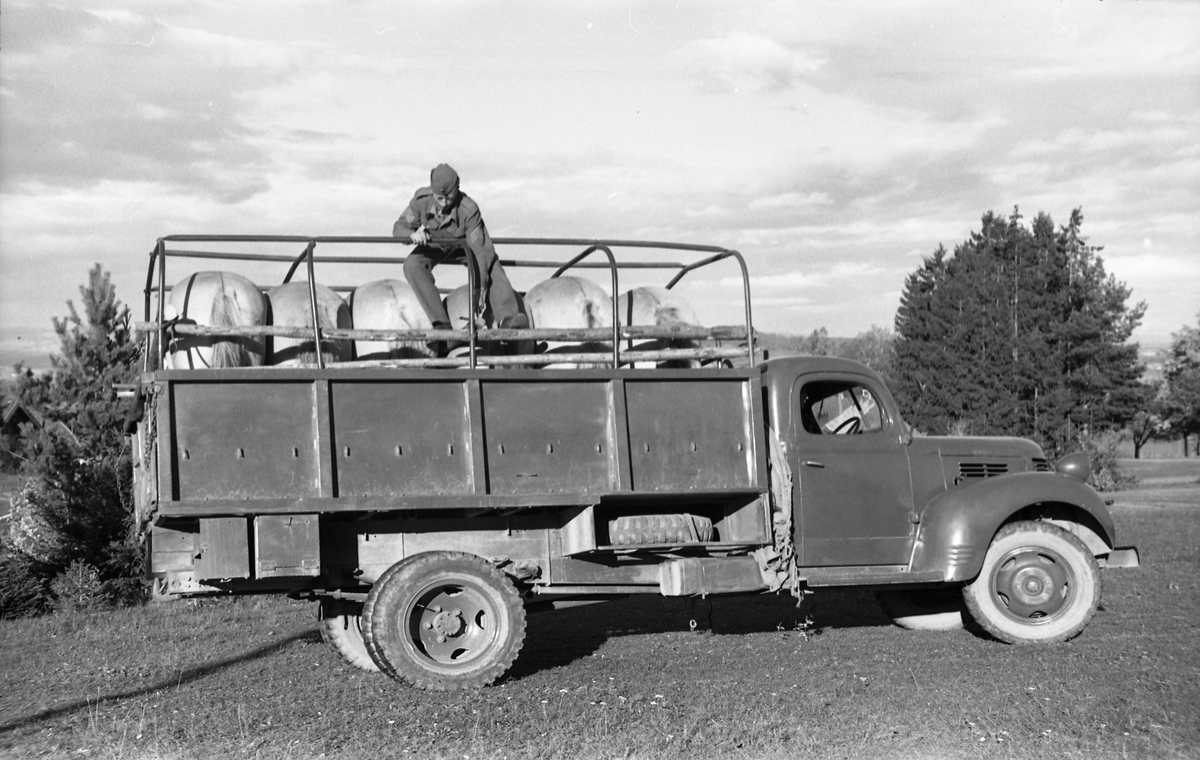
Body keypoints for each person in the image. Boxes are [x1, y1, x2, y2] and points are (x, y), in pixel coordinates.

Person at [393, 164, 528, 355]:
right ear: (432, 191)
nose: (445, 202)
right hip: (435, 243)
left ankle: (508, 322)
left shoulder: (469, 209)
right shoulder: (420, 201)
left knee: (491, 266)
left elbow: (480, 253)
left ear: (457, 190)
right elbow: (398, 227)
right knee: (412, 265)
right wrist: (411, 235)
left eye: (450, 197)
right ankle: (442, 329)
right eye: (440, 198)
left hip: (465, 245)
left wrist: (478, 298)